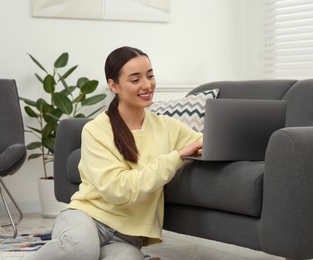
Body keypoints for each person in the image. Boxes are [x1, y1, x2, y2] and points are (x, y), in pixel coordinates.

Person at [27, 46, 202, 260]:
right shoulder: (97, 129)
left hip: (127, 237)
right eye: (135, 79)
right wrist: (177, 157)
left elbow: (205, 143)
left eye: (150, 75)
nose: (147, 85)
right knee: (82, 250)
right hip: (87, 218)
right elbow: (118, 190)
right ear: (114, 85)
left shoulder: (167, 126)